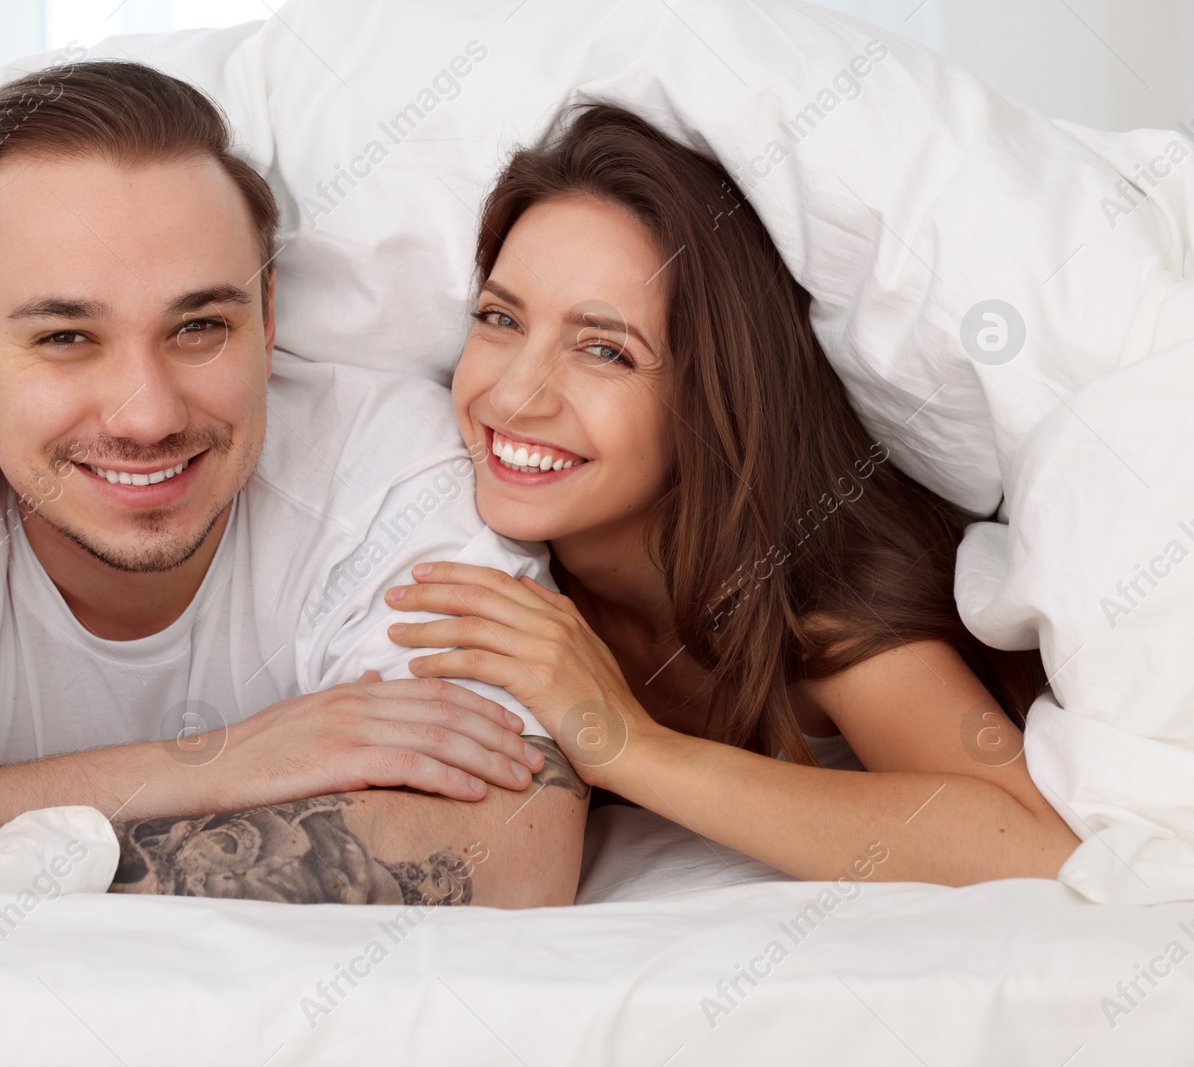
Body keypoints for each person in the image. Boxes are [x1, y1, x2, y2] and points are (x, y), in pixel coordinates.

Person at [0, 61, 588, 908]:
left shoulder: (385, 470)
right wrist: (217, 762)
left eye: (199, 326)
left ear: (269, 319)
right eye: (65, 337)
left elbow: (516, 843)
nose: (146, 417)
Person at [387, 103, 1081, 886]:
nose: (515, 395)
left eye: (605, 349)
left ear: (715, 391)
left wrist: (630, 747)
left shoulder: (818, 584)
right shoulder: (440, 525)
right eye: (500, 317)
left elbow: (1033, 841)